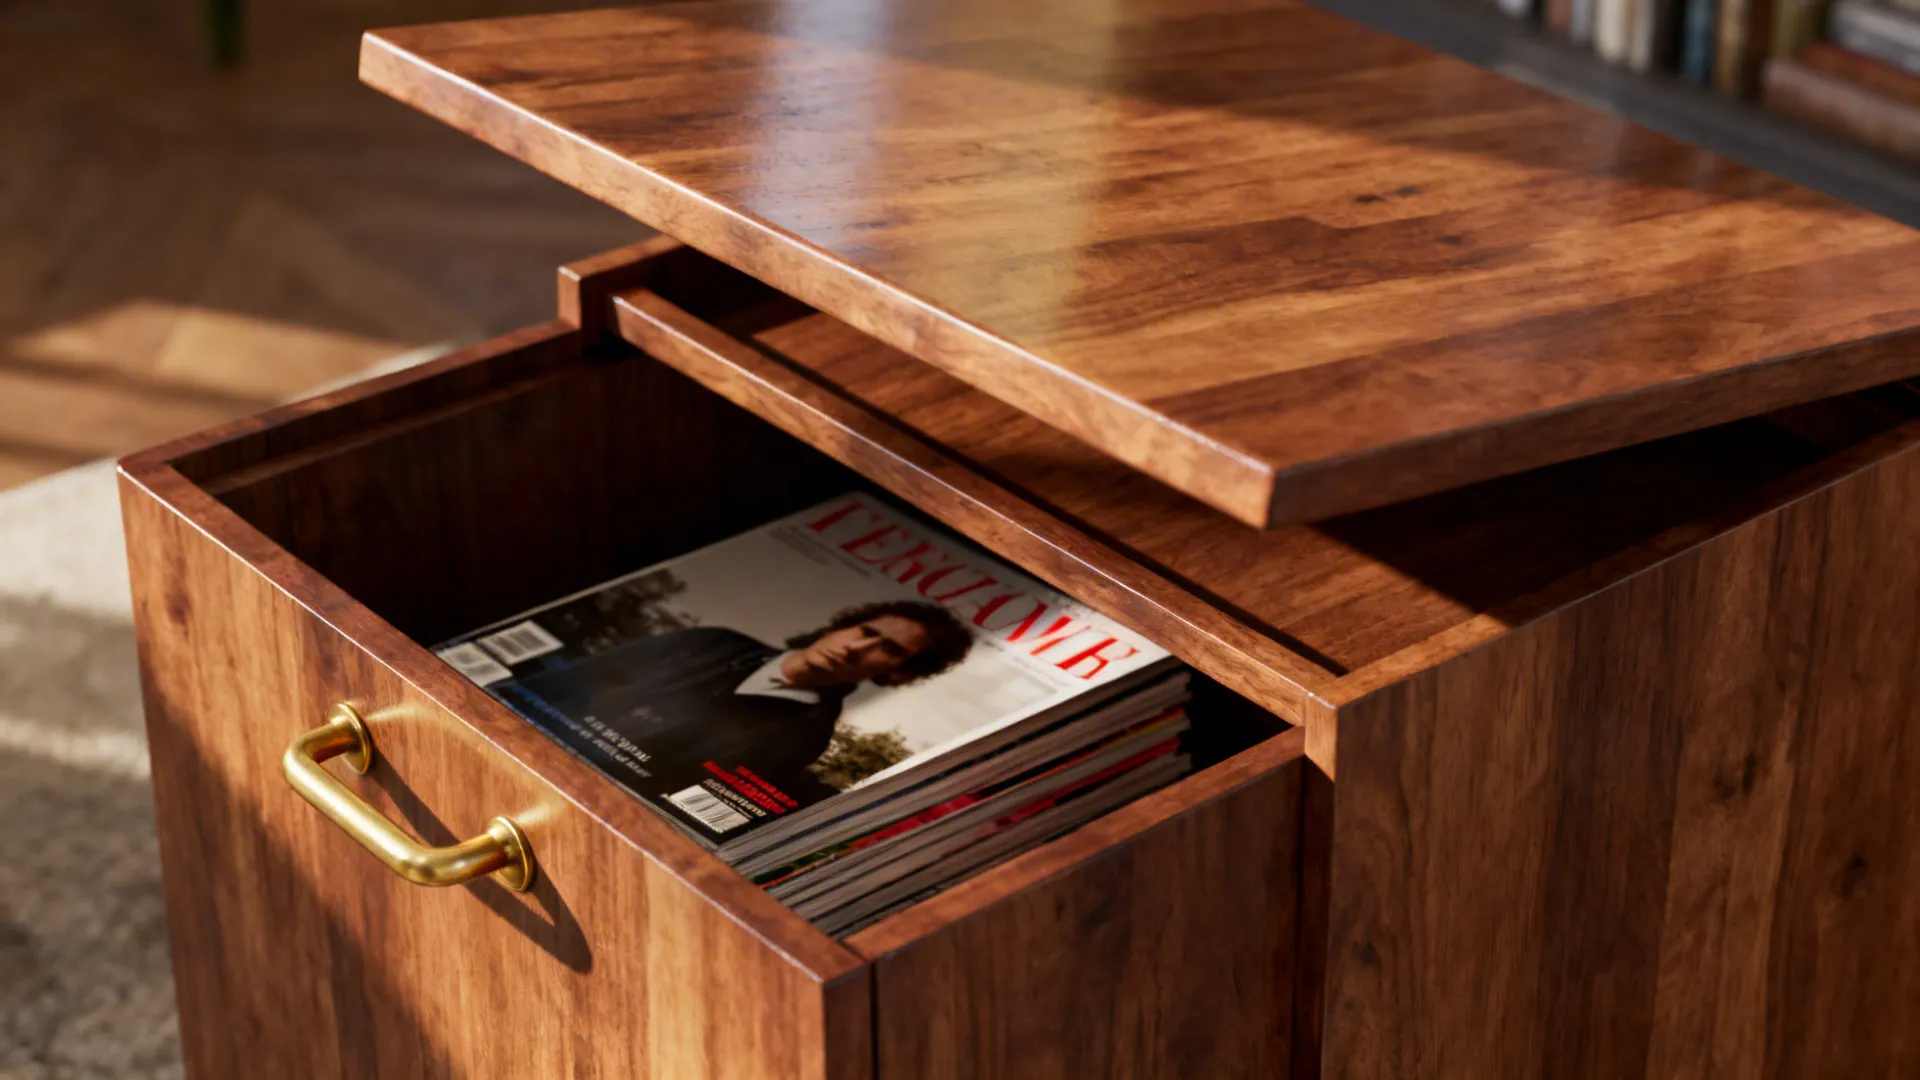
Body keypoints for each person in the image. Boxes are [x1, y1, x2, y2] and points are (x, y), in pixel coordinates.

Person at [500, 601, 974, 802]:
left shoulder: (808, 735)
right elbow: (573, 681)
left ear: (896, 672)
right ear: (842, 625)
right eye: (865, 631)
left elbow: (672, 792)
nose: (857, 647)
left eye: (887, 649)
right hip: (504, 739)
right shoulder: (713, 641)